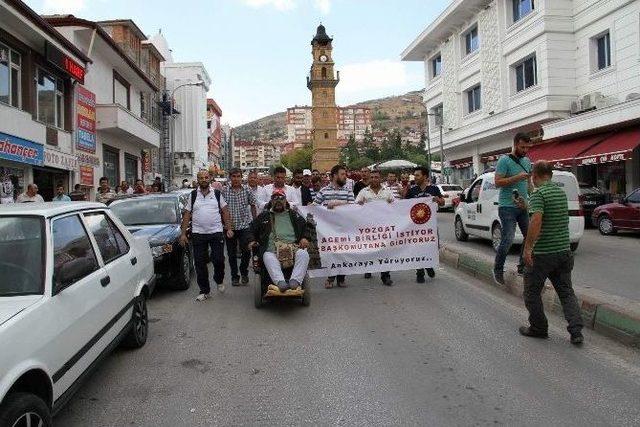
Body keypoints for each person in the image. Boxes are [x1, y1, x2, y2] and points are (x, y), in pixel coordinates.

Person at [521, 161, 584, 345]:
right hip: (563, 252)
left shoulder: (539, 194)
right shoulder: (559, 192)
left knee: (531, 292)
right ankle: (576, 331)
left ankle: (539, 328)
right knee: (566, 292)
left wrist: (528, 249)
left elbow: (537, 220)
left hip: (542, 254)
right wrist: (529, 194)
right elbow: (543, 204)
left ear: (535, 174)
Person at [179, 170, 233, 301]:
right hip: (198, 233)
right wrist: (183, 234)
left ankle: (219, 279)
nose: (203, 179)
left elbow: (225, 211)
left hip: (216, 232)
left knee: (219, 260)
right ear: (197, 180)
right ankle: (205, 290)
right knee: (199, 263)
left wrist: (229, 228)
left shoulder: (217, 194)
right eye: (201, 178)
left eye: (206, 177)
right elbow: (187, 214)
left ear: (210, 179)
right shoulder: (192, 195)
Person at [249, 189, 311, 293]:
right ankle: (280, 282)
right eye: (275, 198)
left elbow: (306, 228)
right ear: (271, 201)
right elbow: (251, 229)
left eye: (281, 198)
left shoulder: (294, 215)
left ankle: (295, 280)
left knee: (303, 254)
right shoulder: (263, 216)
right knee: (267, 256)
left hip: (292, 249)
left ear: (285, 200)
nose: (278, 201)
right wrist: (251, 240)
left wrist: (304, 237)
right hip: (272, 251)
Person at [493, 133, 533, 285]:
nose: (525, 150)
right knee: (508, 239)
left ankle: (522, 267)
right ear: (515, 144)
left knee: (529, 237)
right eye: (522, 147)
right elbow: (497, 182)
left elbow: (529, 184)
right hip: (507, 206)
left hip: (523, 206)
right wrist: (516, 178)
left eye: (527, 147)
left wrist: (533, 197)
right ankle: (498, 269)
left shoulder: (527, 161)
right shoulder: (504, 160)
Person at [314, 164, 355, 289]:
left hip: (343, 228)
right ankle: (331, 277)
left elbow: (353, 206)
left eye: (345, 174)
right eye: (342, 174)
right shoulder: (324, 191)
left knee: (343, 252)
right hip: (328, 229)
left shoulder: (348, 191)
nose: (345, 177)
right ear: (334, 176)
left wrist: (337, 203)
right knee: (331, 253)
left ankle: (341, 278)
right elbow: (315, 206)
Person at [355, 169, 394, 286]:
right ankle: (369, 268)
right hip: (369, 227)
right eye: (371, 177)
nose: (373, 179)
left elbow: (396, 206)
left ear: (380, 178)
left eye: (376, 177)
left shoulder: (387, 191)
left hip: (383, 227)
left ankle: (385, 275)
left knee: (384, 250)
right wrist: (360, 204)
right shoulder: (363, 192)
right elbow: (355, 205)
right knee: (370, 248)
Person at [405, 166, 444, 283]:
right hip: (416, 226)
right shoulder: (412, 190)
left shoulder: (434, 189)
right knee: (417, 248)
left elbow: (442, 203)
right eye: (415, 175)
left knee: (431, 247)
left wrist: (438, 199)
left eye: (417, 175)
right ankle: (420, 272)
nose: (415, 177)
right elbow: (404, 206)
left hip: (430, 226)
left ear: (425, 176)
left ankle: (428, 265)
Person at [222, 168, 257, 286]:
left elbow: (253, 205)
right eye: (234, 176)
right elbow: (222, 210)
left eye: (238, 176)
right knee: (231, 254)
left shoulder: (247, 189)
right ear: (230, 177)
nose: (236, 179)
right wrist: (227, 226)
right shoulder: (224, 191)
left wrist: (255, 222)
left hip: (244, 226)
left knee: (246, 251)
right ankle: (234, 276)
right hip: (229, 227)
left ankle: (244, 272)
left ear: (241, 178)